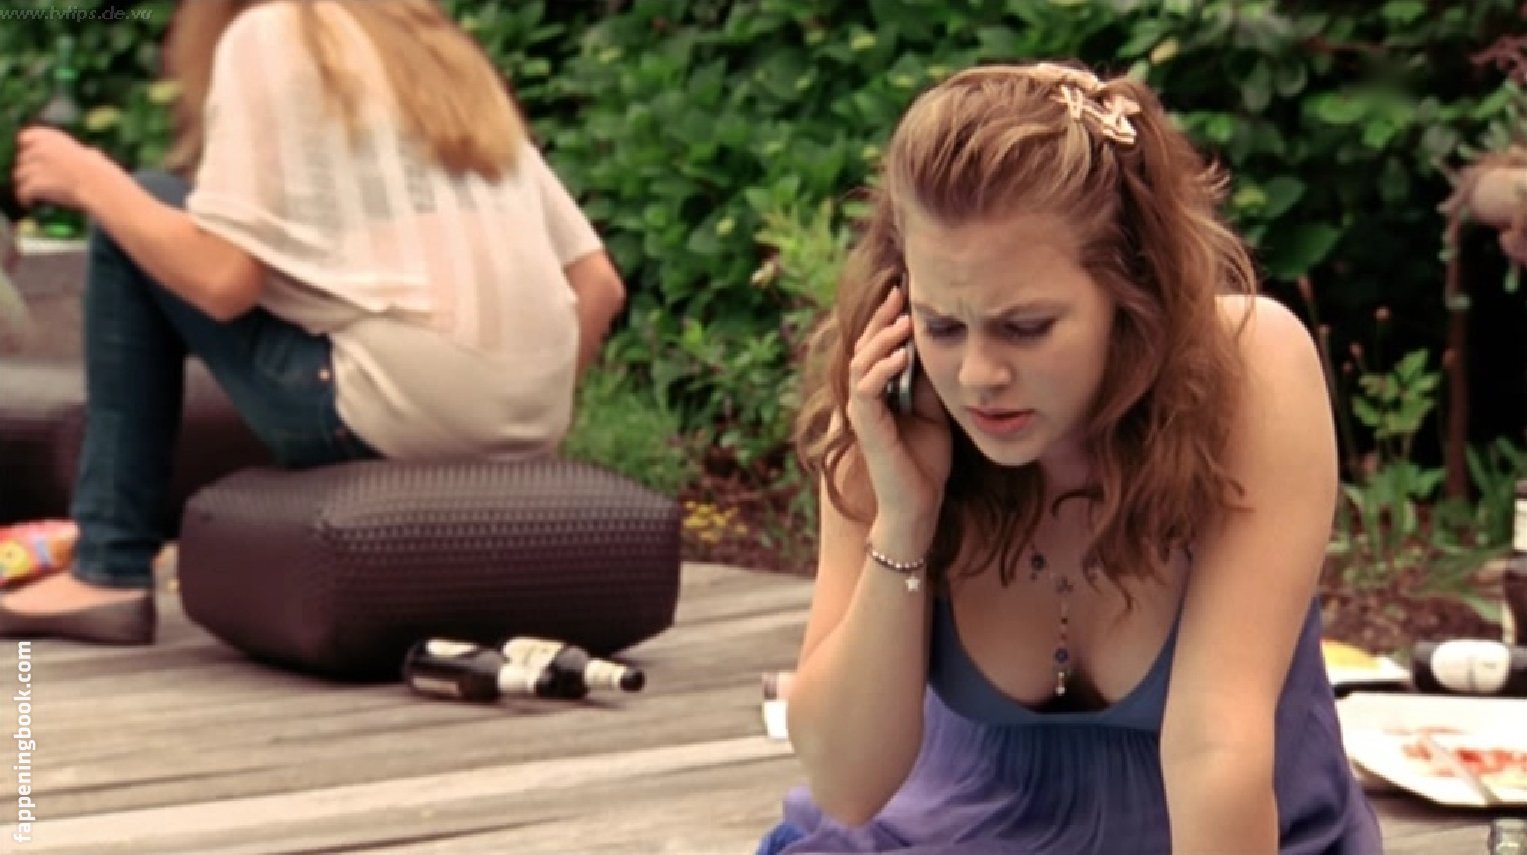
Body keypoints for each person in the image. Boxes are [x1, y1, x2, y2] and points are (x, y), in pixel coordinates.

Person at [757, 62, 1382, 854]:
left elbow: (1215, 748)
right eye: (941, 325)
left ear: (1132, 293)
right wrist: (905, 517)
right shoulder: (891, 403)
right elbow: (847, 783)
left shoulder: (1248, 370)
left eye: (1025, 327)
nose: (976, 375)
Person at [0, 0, 625, 646]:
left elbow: (223, 281)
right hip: (530, 424)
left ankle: (108, 566)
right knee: (164, 213)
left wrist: (90, 180)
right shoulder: (438, 48)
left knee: (139, 207)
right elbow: (598, 284)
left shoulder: (278, 31)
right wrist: (507, 411)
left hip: (386, 411)